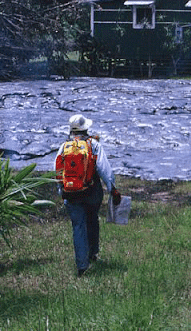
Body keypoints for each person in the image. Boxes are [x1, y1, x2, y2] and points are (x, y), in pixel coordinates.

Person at [55, 114, 120, 276]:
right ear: (86, 129)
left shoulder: (64, 147)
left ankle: (82, 266)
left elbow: (58, 172)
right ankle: (93, 253)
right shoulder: (94, 145)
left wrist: (62, 193)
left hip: (70, 194)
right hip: (92, 193)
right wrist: (113, 189)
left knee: (78, 226)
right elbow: (104, 169)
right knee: (92, 219)